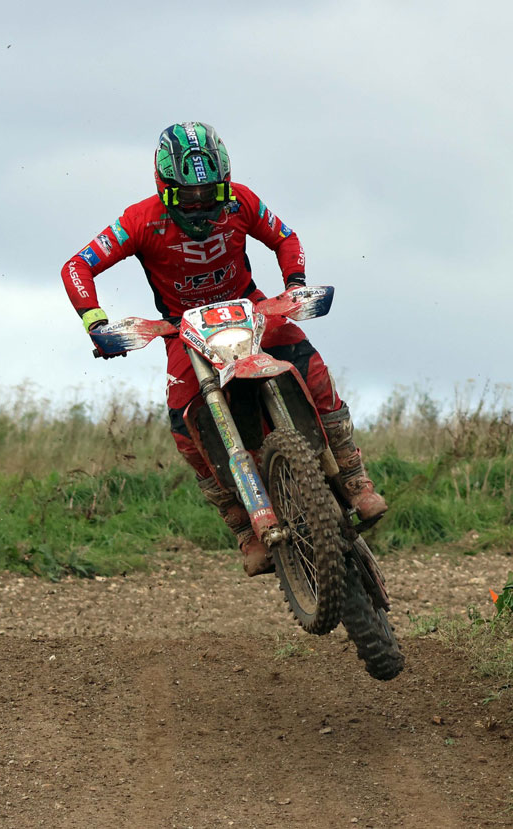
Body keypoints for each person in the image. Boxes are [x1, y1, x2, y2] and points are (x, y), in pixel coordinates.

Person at [60, 121, 387, 576]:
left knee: (313, 370)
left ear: (225, 183)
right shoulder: (140, 220)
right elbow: (78, 265)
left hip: (251, 310)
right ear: (164, 186)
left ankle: (354, 478)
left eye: (209, 193)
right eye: (187, 197)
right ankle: (240, 524)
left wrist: (294, 286)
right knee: (182, 424)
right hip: (183, 330)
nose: (200, 205)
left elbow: (285, 237)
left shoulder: (242, 201)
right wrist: (95, 321)